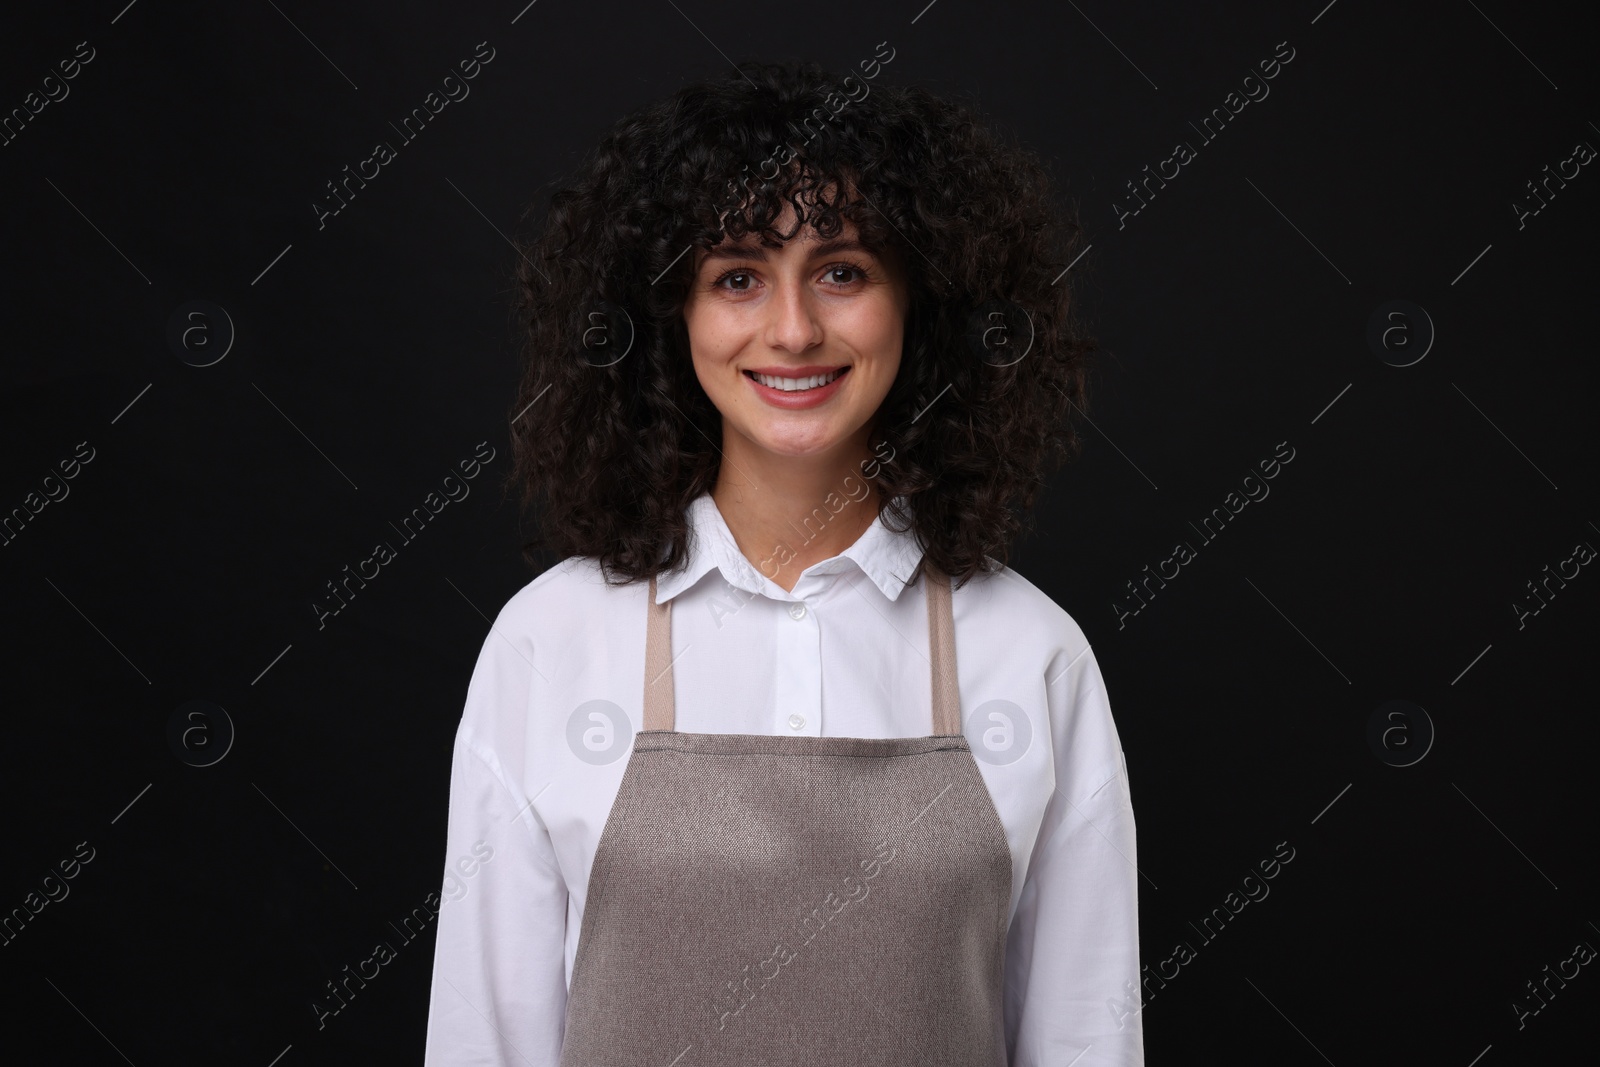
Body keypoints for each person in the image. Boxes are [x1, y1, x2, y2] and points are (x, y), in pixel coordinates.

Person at [423, 57, 1143, 1066]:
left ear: (917, 305)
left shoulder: (1029, 652)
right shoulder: (550, 642)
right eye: (737, 276)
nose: (794, 328)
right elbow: (482, 1041)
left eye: (842, 271)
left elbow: (1084, 1041)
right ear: (672, 316)